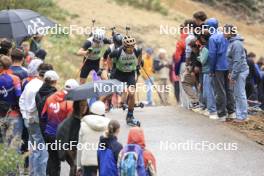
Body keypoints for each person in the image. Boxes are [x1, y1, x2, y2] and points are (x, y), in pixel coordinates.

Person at [19, 63, 53, 176]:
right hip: (37, 121)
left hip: (28, 120)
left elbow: (22, 100)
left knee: (33, 149)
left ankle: (33, 173)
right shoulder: (41, 87)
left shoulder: (30, 83)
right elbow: (36, 105)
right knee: (41, 151)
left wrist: (25, 115)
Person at [41, 79, 79, 176]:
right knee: (73, 163)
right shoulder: (71, 104)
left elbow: (43, 117)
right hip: (63, 137)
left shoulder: (50, 98)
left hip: (49, 133)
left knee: (53, 159)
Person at [108, 35, 142, 126]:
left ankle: (130, 116)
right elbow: (109, 57)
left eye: (132, 47)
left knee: (131, 93)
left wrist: (138, 65)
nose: (131, 49)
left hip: (130, 74)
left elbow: (140, 55)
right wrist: (110, 69)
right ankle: (103, 108)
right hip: (118, 73)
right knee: (109, 91)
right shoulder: (118, 51)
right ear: (124, 46)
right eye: (129, 48)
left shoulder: (137, 50)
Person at [207, 18, 235, 121]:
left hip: (219, 67)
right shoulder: (230, 37)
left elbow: (212, 55)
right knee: (229, 89)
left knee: (220, 91)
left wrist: (211, 69)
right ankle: (232, 112)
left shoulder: (213, 38)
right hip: (230, 67)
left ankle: (222, 114)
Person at [77, 101, 110, 176]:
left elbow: (80, 147)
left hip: (87, 161)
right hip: (103, 161)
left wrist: (79, 166)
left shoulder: (83, 124)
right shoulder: (109, 126)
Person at [57, 100, 89, 176]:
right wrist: (68, 150)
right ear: (77, 106)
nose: (84, 108)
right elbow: (61, 132)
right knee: (75, 168)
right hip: (73, 150)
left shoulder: (87, 119)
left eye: (86, 105)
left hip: (84, 149)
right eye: (82, 105)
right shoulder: (70, 121)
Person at [224, 25, 249, 122]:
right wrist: (231, 72)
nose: (223, 33)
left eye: (225, 31)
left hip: (240, 71)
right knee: (237, 93)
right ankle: (240, 114)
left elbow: (237, 61)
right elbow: (232, 60)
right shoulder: (231, 42)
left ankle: (242, 116)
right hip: (236, 71)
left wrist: (233, 76)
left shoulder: (237, 44)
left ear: (230, 32)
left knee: (240, 93)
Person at [0, 55, 22, 148]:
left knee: (1, 144)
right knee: (13, 144)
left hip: (0, 114)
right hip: (13, 113)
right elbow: (18, 96)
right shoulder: (15, 79)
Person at [197, 30, 217, 119]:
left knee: (208, 92)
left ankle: (212, 110)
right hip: (208, 71)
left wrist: (199, 55)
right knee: (207, 92)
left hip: (208, 71)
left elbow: (202, 60)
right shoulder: (209, 46)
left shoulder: (205, 48)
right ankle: (210, 109)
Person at [35, 70, 59, 135]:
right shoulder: (54, 96)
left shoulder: (38, 92)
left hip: (41, 123)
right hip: (50, 128)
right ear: (55, 81)